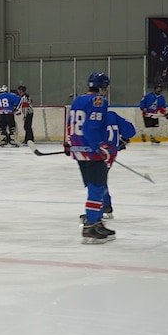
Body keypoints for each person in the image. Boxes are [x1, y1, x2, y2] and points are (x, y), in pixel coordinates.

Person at [68, 72, 133, 244]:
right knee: (97, 188)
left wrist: (69, 144)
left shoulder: (77, 100)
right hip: (92, 151)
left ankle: (96, 222)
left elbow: (70, 125)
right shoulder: (99, 101)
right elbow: (91, 127)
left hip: (79, 149)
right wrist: (100, 146)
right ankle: (90, 228)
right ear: (102, 87)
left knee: (94, 187)